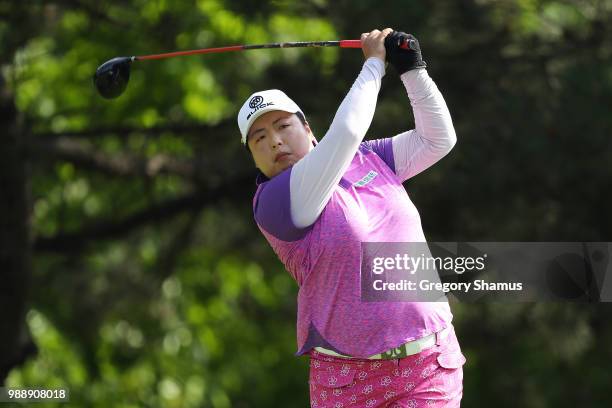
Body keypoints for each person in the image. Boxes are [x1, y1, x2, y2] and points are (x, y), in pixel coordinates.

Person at [237, 28, 465, 408]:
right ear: (254, 159)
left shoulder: (369, 157)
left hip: (428, 364)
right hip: (347, 382)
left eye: (282, 126)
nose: (274, 141)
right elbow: (345, 131)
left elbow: (436, 140)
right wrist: (374, 64)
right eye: (258, 138)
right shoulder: (275, 203)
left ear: (308, 130)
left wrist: (412, 69)